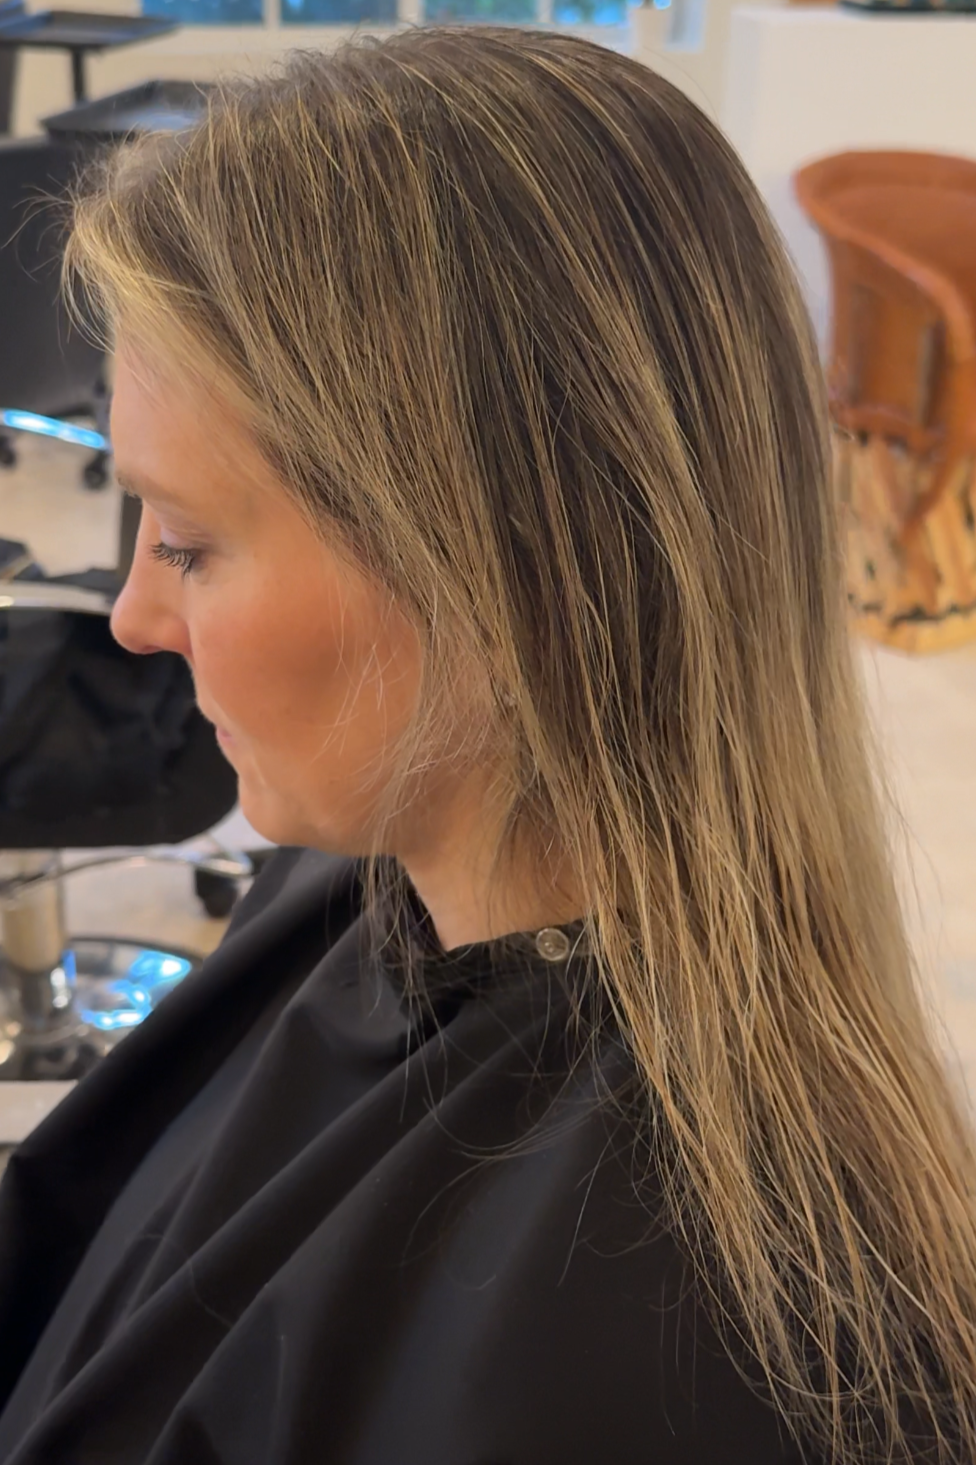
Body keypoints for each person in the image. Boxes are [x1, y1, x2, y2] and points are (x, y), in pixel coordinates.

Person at [0, 26, 973, 1464]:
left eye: (192, 543)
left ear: (502, 576)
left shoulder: (673, 1346)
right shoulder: (346, 888)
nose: (135, 615)